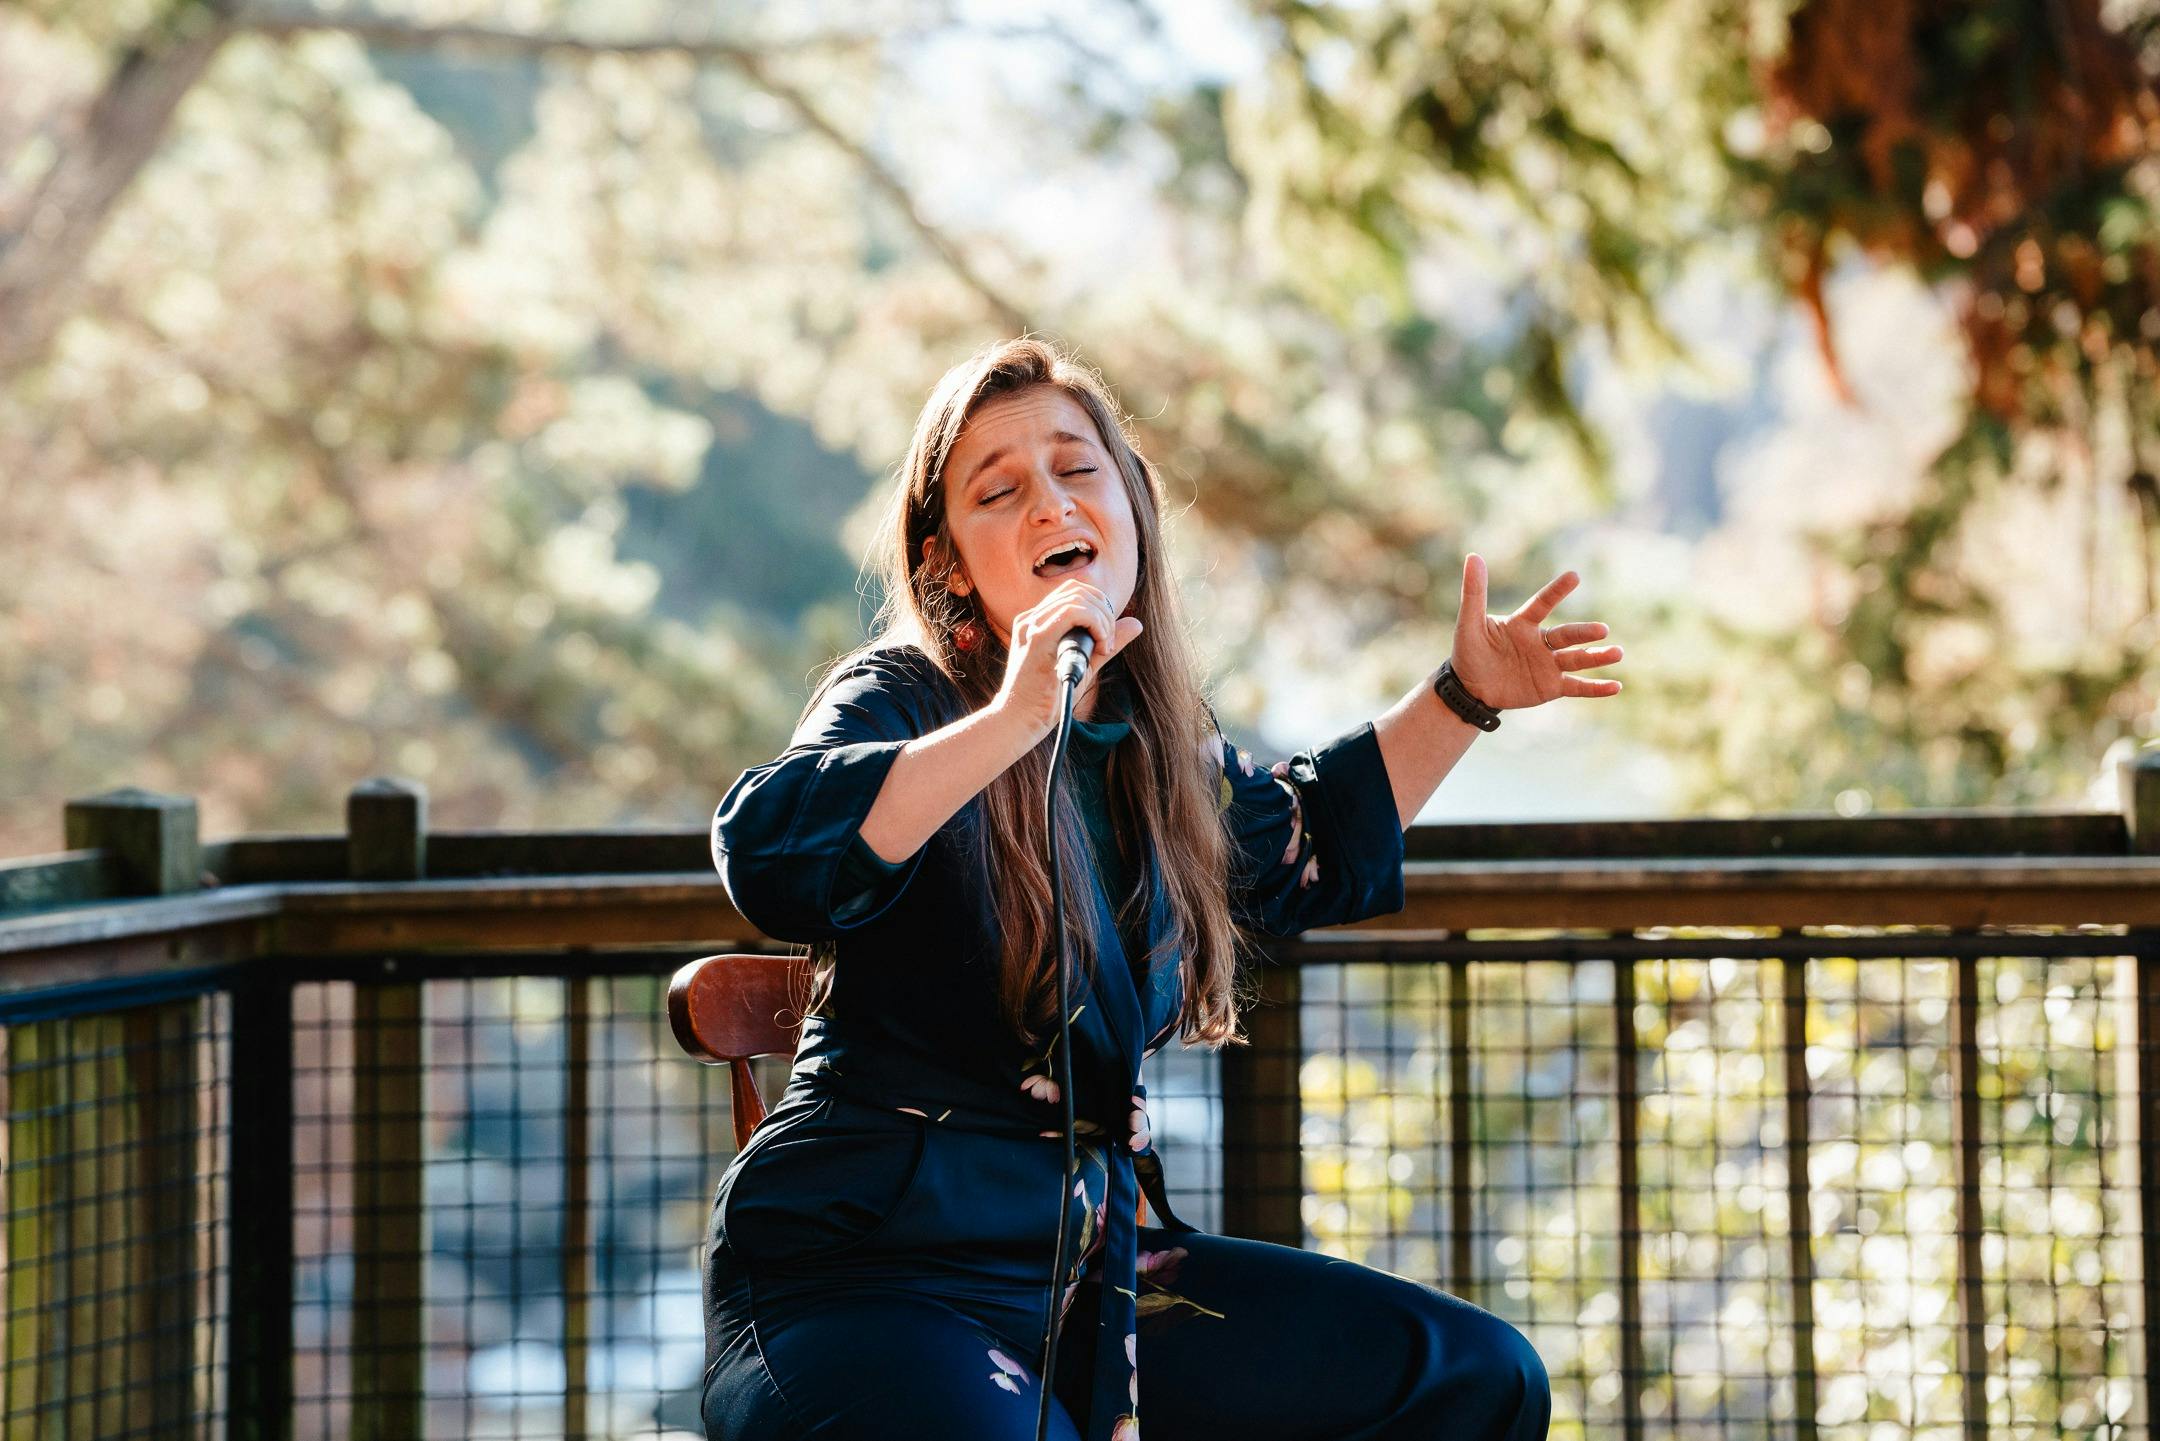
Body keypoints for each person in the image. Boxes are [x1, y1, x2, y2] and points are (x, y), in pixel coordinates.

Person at [701, 337, 1624, 1441]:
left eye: (1078, 470)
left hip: (1093, 1282)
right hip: (863, 1280)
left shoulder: (1158, 755)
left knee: (1476, 1376)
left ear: (1131, 509)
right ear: (946, 565)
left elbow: (1306, 841)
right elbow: (772, 847)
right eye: (1000, 490)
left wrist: (1466, 695)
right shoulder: (902, 698)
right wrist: (1010, 720)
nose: (1050, 503)